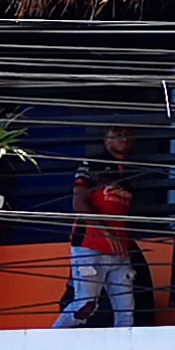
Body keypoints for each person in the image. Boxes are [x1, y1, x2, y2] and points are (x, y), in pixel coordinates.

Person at [56, 125, 142, 330]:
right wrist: (107, 234)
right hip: (90, 245)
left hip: (120, 251)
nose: (124, 139)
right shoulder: (93, 165)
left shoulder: (129, 172)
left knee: (126, 312)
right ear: (106, 140)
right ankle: (52, 340)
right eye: (118, 134)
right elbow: (79, 204)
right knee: (85, 304)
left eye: (128, 135)